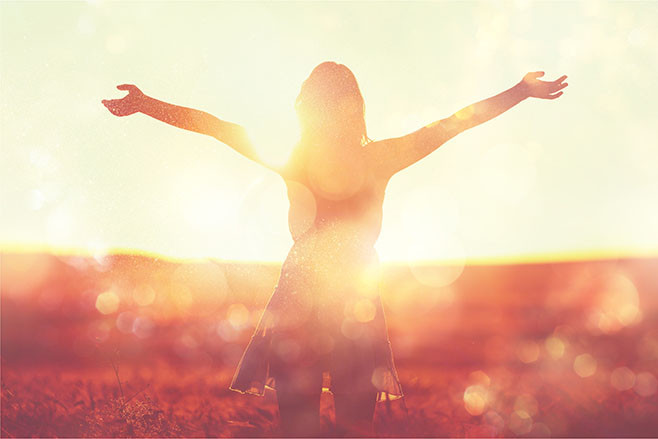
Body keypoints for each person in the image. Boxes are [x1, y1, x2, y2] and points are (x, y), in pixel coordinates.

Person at [102, 62, 567, 436]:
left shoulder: (296, 158)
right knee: (349, 426)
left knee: (304, 427)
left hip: (314, 297)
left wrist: (146, 104)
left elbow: (217, 127)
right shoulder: (374, 157)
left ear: (308, 107)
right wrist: (519, 92)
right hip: (347, 299)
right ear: (353, 107)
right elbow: (451, 125)